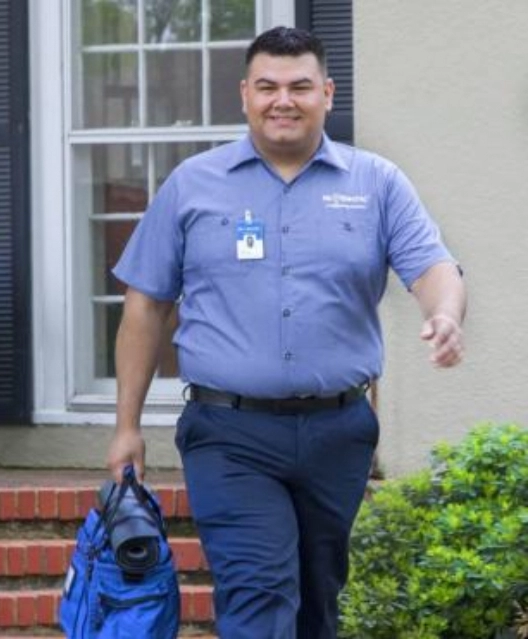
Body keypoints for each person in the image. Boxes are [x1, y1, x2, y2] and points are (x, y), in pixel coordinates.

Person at [107, 26, 466, 639]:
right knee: (259, 589)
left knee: (316, 599)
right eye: (268, 86)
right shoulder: (193, 185)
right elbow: (146, 308)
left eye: (300, 86)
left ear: (326, 93)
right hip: (229, 432)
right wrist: (126, 428)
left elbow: (433, 267)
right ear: (244, 95)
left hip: (339, 431)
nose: (284, 100)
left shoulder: (375, 182)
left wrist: (447, 314)